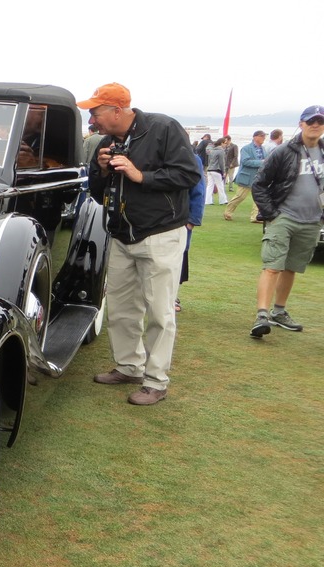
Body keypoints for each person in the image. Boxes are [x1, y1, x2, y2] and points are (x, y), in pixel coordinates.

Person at [80, 82, 201, 405]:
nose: (92, 119)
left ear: (117, 110)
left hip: (161, 233)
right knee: (120, 309)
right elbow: (95, 191)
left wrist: (140, 175)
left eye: (96, 112)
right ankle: (129, 367)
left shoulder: (163, 128)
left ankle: (156, 381)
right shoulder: (107, 142)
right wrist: (103, 170)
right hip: (122, 235)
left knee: (160, 312)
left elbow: (188, 175)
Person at [248, 105, 324, 339]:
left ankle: (279, 311)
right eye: (310, 120)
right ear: (301, 123)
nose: (315, 125)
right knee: (272, 266)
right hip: (284, 217)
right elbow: (259, 184)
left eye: (320, 121)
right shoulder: (284, 151)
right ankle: (262, 315)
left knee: (292, 267)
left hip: (312, 220)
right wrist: (272, 213)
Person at [176, 155, 206, 312]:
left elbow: (198, 189)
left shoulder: (193, 158)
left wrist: (192, 220)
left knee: (180, 256)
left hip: (181, 219)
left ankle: (173, 295)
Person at [223, 131, 267, 222]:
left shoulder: (263, 149)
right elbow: (245, 161)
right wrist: (261, 162)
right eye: (262, 136)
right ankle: (228, 212)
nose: (264, 138)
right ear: (255, 137)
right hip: (247, 177)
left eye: (264, 136)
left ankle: (255, 217)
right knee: (240, 196)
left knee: (258, 198)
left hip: (259, 177)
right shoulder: (246, 148)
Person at [204, 138, 229, 205]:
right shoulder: (221, 151)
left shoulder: (211, 150)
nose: (226, 145)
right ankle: (223, 200)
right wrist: (223, 171)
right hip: (216, 170)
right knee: (220, 185)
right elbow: (221, 162)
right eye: (225, 143)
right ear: (221, 143)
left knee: (210, 186)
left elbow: (209, 160)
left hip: (209, 170)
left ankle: (208, 201)